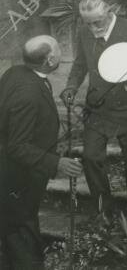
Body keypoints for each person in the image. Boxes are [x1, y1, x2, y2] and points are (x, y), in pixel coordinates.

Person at [60, 0, 127, 231]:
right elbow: (80, 64)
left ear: (109, 12)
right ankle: (104, 212)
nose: (93, 27)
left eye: (97, 22)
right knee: (92, 157)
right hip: (98, 107)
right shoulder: (83, 32)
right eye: (88, 22)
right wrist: (71, 86)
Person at [0, 36, 83, 270]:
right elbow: (18, 145)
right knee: (24, 246)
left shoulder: (16, 72)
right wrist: (56, 163)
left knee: (9, 244)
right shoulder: (29, 94)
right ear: (50, 60)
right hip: (16, 183)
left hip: (11, 181)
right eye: (57, 49)